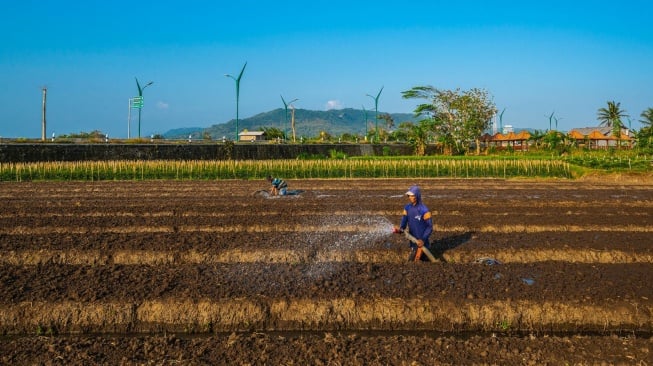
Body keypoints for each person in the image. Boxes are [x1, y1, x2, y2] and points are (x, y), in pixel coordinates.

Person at [395, 185, 433, 262]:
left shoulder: (424, 210)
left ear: (417, 196)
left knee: (413, 263)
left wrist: (423, 239)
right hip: (413, 242)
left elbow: (430, 227)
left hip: (422, 244)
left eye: (412, 196)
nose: (410, 197)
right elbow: (404, 221)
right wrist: (400, 229)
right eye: (409, 196)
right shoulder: (407, 208)